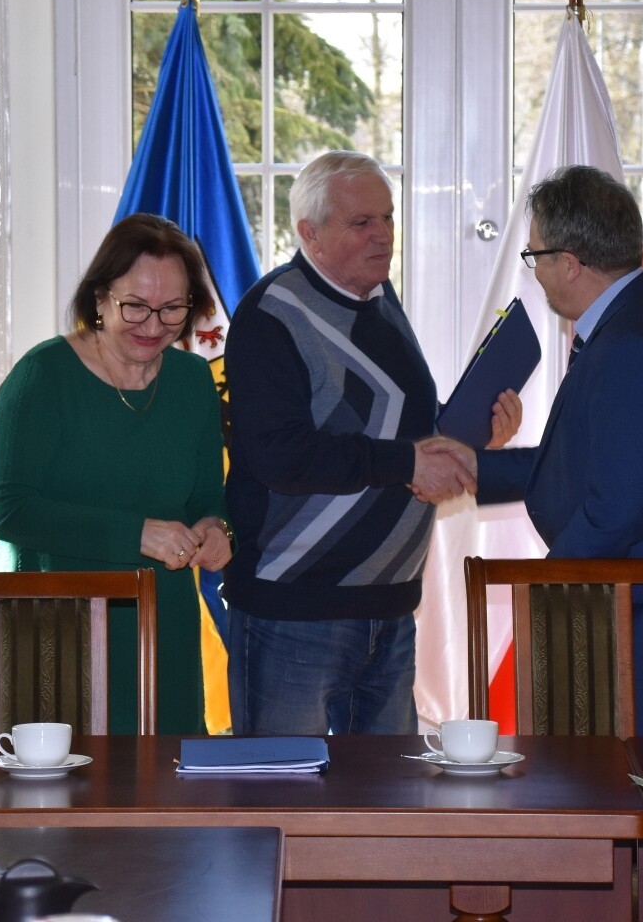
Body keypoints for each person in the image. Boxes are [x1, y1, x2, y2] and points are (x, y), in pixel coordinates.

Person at [429, 165, 643, 736]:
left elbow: (614, 509)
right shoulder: (638, 317)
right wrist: (477, 468)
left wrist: (540, 592)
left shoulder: (630, 344)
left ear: (569, 262)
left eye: (535, 256)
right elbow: (600, 464)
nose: (535, 272)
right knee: (634, 782)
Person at [222, 150, 518, 736]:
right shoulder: (270, 314)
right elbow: (281, 455)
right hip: (296, 612)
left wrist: (474, 437)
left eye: (387, 218)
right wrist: (407, 462)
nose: (383, 235)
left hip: (390, 608)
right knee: (285, 786)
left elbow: (403, 426)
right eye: (362, 223)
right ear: (310, 232)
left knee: (390, 792)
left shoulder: (381, 300)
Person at [0, 212, 234, 735]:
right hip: (56, 621)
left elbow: (208, 497)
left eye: (172, 309)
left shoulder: (192, 380)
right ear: (99, 299)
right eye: (135, 306)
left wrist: (216, 529)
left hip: (162, 623)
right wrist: (136, 534)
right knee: (61, 782)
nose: (154, 326)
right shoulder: (42, 377)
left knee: (165, 771)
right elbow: (7, 509)